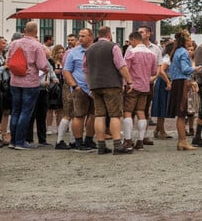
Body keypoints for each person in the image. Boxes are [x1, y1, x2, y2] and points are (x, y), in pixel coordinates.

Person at [84, 25, 133, 155]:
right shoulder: (113, 47)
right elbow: (121, 65)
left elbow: (86, 69)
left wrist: (90, 84)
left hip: (95, 85)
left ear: (98, 35)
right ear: (109, 35)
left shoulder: (89, 49)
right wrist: (129, 81)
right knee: (115, 115)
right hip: (111, 84)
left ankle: (101, 145)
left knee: (99, 115)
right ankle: (117, 146)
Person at [6, 21, 50, 150]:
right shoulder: (37, 46)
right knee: (26, 112)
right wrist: (46, 70)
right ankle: (20, 141)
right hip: (30, 82)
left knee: (15, 111)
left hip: (14, 81)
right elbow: (42, 65)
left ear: (25, 30)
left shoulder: (14, 44)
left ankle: (13, 141)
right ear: (36, 32)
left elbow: (8, 61)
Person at [123, 31, 158, 151]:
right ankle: (140, 141)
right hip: (145, 86)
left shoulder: (131, 52)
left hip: (132, 86)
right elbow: (154, 72)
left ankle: (127, 140)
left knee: (127, 112)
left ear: (133, 40)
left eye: (130, 41)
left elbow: (125, 69)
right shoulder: (152, 54)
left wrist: (126, 84)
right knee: (141, 111)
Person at [62, 28, 95, 152]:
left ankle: (89, 139)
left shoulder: (95, 51)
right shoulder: (73, 53)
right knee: (79, 115)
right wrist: (75, 86)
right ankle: (78, 142)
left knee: (94, 115)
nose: (80, 38)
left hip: (95, 88)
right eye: (79, 36)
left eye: (83, 36)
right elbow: (66, 70)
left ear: (91, 37)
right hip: (80, 88)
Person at [167, 32, 196, 150]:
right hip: (182, 83)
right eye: (189, 38)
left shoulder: (176, 52)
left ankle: (181, 140)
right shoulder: (184, 52)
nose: (191, 40)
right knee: (182, 113)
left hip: (176, 82)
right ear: (185, 41)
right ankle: (183, 141)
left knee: (181, 113)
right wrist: (195, 68)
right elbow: (185, 69)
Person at [138, 25, 161, 147]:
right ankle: (129, 136)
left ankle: (144, 136)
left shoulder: (155, 49)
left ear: (148, 34)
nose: (139, 34)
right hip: (135, 83)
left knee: (146, 109)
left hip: (149, 83)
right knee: (131, 110)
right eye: (138, 32)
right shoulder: (133, 47)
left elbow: (159, 66)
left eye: (141, 32)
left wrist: (154, 77)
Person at [151, 40, 174, 140]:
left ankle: (157, 129)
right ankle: (161, 131)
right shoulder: (167, 58)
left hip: (163, 82)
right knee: (162, 107)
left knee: (163, 107)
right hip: (163, 83)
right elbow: (161, 71)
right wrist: (168, 81)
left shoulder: (167, 58)